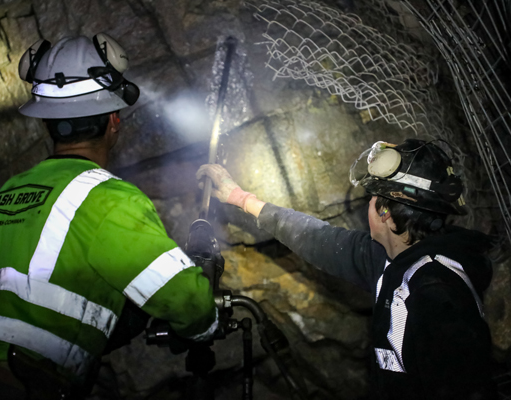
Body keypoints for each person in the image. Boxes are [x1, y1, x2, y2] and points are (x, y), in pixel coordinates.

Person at [0, 34, 217, 400]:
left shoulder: (11, 190)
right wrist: (205, 325)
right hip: (23, 389)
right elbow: (187, 300)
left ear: (47, 122)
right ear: (114, 121)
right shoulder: (109, 198)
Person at [197, 139, 496, 399]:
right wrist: (240, 198)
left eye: (373, 198)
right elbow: (316, 238)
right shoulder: (388, 259)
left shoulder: (436, 293)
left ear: (385, 213)